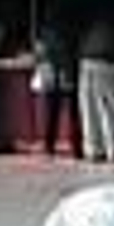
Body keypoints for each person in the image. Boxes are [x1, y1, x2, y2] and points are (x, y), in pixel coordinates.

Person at [77, 13, 114, 163]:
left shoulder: (90, 26)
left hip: (86, 62)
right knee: (112, 110)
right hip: (107, 64)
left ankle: (93, 150)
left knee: (89, 110)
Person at [30, 18, 79, 158]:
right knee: (73, 114)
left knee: (52, 114)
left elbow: (39, 54)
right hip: (65, 74)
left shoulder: (45, 34)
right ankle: (76, 146)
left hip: (52, 76)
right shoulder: (68, 33)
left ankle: (49, 145)